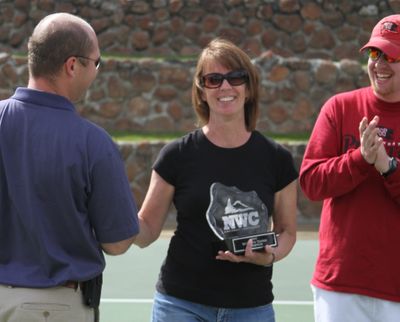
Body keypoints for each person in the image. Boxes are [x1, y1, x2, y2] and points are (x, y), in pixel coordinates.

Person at [134, 38, 298, 322]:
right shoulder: (176, 155)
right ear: (201, 90)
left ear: (248, 89)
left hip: (251, 306)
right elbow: (146, 230)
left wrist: (268, 256)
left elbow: (287, 232)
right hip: (180, 304)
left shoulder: (277, 159)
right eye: (214, 79)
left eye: (236, 77)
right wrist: (105, 205)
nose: (225, 86)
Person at [0, 12, 139, 322]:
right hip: (52, 307)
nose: (97, 71)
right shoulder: (92, 142)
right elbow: (117, 243)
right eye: (97, 62)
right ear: (72, 65)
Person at [299, 14, 400, 322]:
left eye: (392, 56)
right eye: (375, 53)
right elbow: (311, 183)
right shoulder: (339, 107)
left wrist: (387, 167)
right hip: (340, 283)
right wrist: (359, 160)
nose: (380, 64)